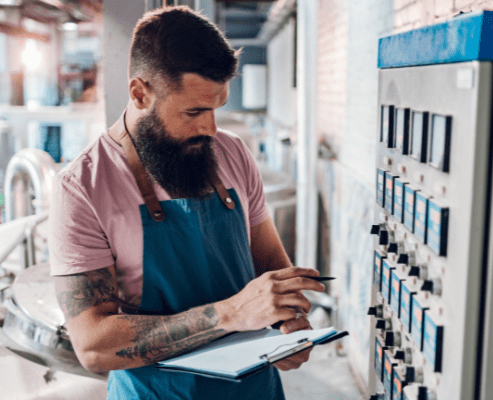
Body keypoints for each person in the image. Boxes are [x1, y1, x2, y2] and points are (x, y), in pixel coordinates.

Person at [49, 6, 325, 399]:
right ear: (140, 93)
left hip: (253, 390)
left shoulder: (233, 153)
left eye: (216, 108)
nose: (210, 128)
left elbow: (268, 262)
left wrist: (289, 322)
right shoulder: (83, 188)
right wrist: (230, 314)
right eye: (194, 111)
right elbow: (93, 344)